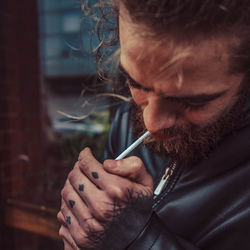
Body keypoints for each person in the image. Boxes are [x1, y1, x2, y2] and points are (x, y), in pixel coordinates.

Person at [57, 1, 250, 249]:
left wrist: (139, 240)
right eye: (137, 84)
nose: (151, 123)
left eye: (193, 102)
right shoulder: (128, 117)